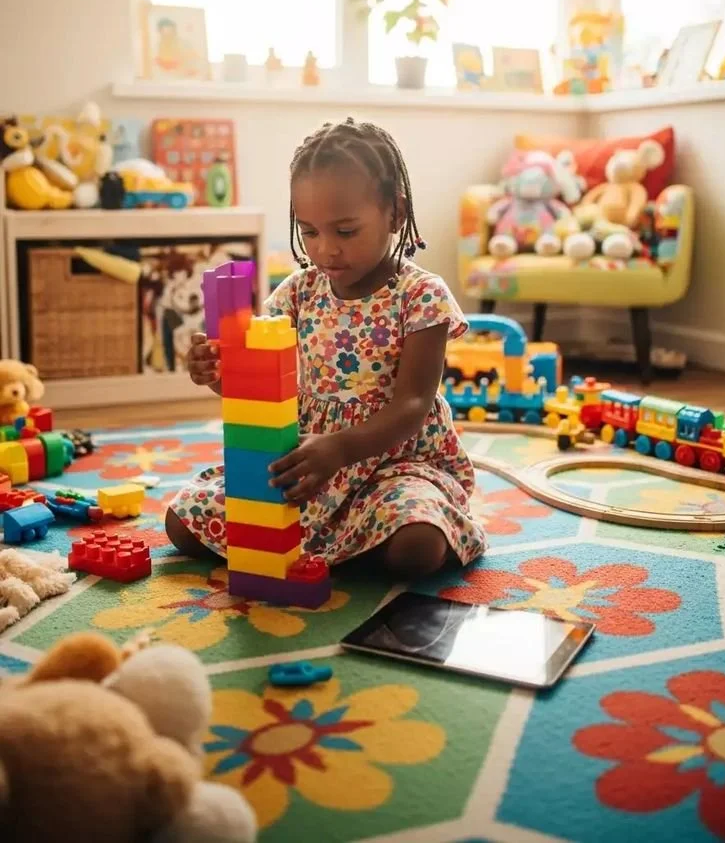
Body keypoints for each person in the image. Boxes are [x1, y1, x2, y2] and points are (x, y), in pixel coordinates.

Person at [166, 117, 486, 579]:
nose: (325, 250)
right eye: (310, 231)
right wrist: (215, 372)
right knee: (183, 521)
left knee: (417, 545)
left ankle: (347, 545)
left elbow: (413, 405)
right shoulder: (298, 293)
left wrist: (338, 449)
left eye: (345, 231)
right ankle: (339, 548)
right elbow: (254, 389)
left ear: (395, 214)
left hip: (393, 466)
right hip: (306, 464)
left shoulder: (421, 296)